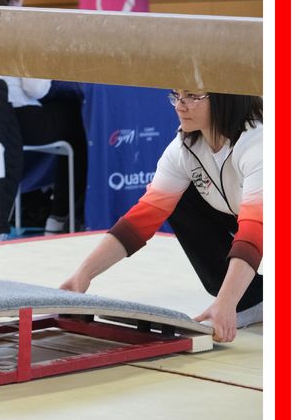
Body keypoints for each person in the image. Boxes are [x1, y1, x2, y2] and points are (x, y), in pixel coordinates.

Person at [60, 90, 263, 343]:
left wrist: (226, 302)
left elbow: (254, 231)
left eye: (192, 96)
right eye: (176, 95)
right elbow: (141, 220)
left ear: (225, 96)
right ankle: (253, 298)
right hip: (248, 215)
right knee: (177, 197)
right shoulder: (184, 147)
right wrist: (83, 275)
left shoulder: (259, 143)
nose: (180, 105)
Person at [0, 0, 89, 232]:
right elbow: (36, 89)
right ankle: (60, 215)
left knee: (66, 114)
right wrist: (71, 87)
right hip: (19, 121)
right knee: (78, 122)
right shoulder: (20, 27)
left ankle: (57, 212)